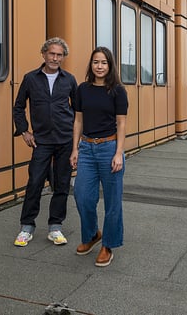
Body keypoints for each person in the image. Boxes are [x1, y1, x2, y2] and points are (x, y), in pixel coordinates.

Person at [12, 37, 77, 247]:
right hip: (41, 141)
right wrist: (24, 131)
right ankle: (27, 228)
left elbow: (78, 111)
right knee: (35, 183)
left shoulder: (69, 80)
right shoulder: (30, 79)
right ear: (44, 54)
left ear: (63, 57)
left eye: (59, 55)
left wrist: (77, 141)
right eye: (52, 53)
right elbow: (18, 107)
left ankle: (55, 227)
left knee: (61, 185)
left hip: (65, 140)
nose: (55, 58)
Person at [70, 46, 128, 267]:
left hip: (109, 148)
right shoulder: (82, 89)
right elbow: (78, 121)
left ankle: (108, 245)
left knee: (113, 202)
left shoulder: (117, 91)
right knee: (82, 196)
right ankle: (93, 234)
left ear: (110, 65)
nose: (100, 66)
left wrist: (119, 153)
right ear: (91, 65)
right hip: (86, 149)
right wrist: (75, 149)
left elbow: (121, 123)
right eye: (96, 62)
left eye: (104, 62)